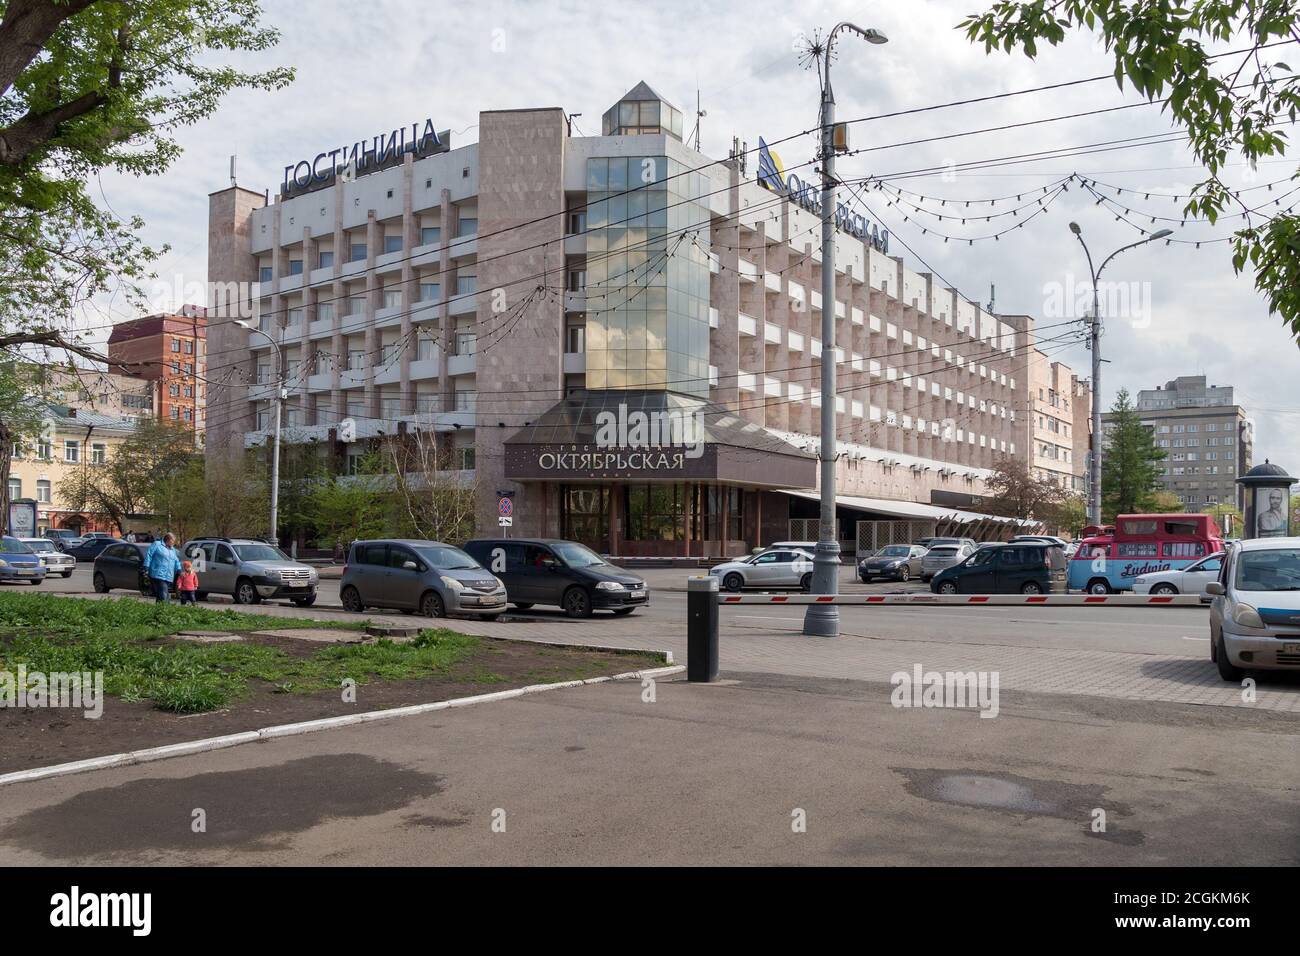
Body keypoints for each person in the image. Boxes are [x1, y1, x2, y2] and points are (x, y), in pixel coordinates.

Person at [144, 532, 182, 604]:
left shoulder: (173, 549)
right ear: (168, 539)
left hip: (168, 576)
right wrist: (146, 566)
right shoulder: (157, 544)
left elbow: (176, 561)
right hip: (158, 573)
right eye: (173, 541)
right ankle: (165, 612)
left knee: (161, 595)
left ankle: (158, 613)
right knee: (164, 596)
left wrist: (179, 570)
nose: (174, 543)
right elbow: (149, 555)